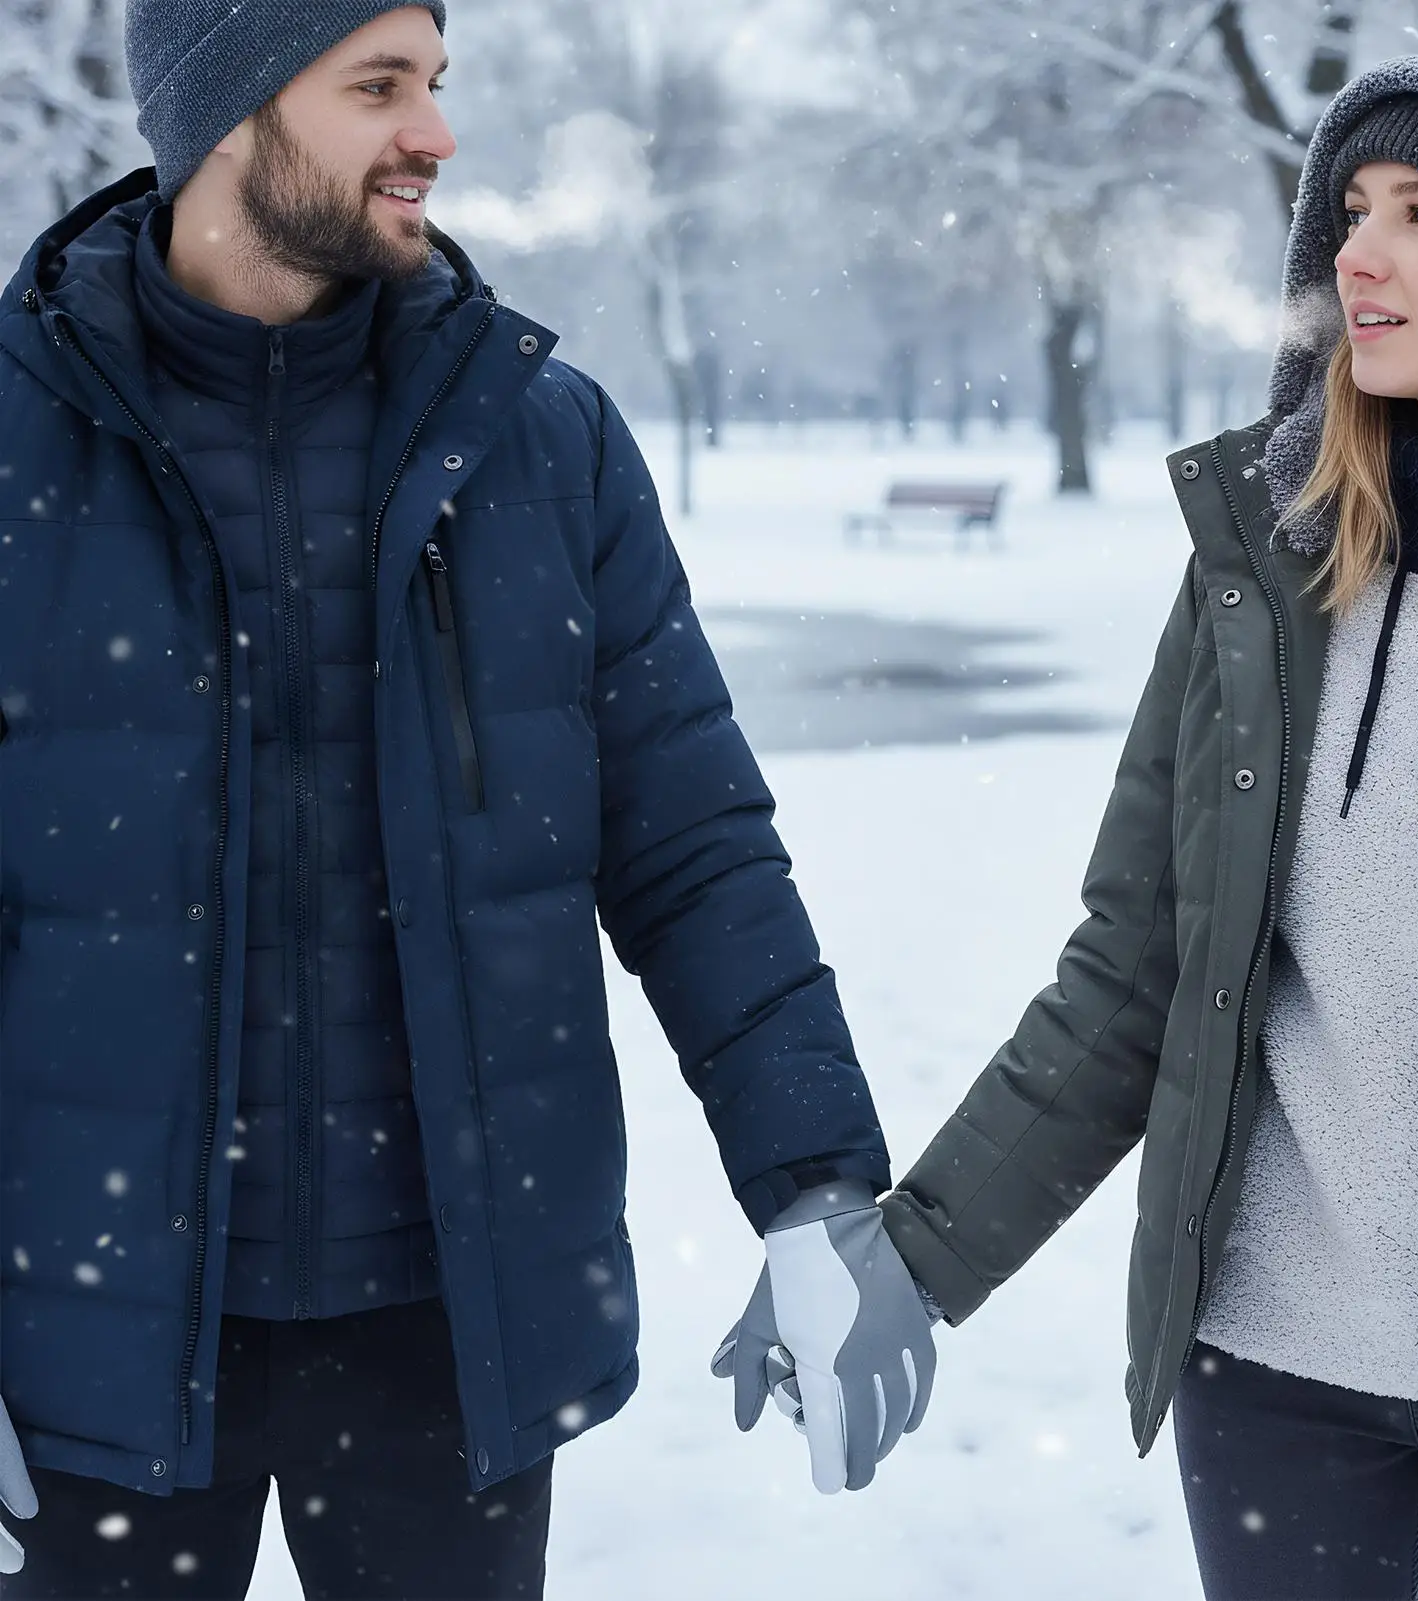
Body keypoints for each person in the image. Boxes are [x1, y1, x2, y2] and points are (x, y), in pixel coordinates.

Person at [0, 3, 933, 1595]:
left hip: (450, 1330)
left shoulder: (537, 441)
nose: (435, 133)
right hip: (86, 1333)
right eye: (379, 88)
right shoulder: (16, 443)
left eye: (435, 84)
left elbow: (694, 846)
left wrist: (820, 1187)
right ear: (223, 112)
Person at [852, 50, 1418, 1600]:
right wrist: (919, 1255)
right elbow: (1142, 963)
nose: (1359, 251)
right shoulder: (1263, 578)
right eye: (1348, 211)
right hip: (1268, 1364)